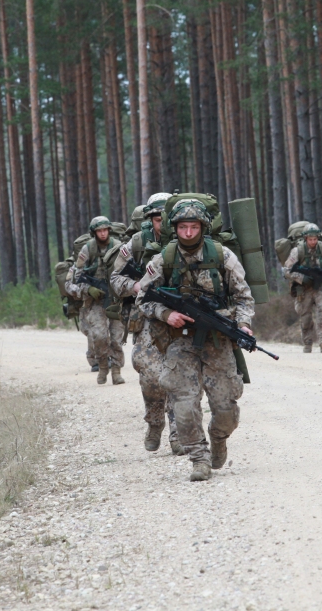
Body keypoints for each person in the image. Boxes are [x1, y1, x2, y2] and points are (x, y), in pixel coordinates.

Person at [137, 199, 255, 482]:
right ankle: (198, 458)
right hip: (180, 343)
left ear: (202, 227)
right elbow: (143, 298)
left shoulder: (223, 256)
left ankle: (218, 438)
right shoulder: (163, 259)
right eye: (182, 227)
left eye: (193, 227)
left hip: (218, 341)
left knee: (226, 407)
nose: (188, 233)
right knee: (184, 405)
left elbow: (243, 297)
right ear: (174, 228)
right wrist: (167, 314)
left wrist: (243, 324)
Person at [111, 193, 185, 455]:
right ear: (149, 219)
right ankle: (155, 423)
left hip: (180, 316)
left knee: (180, 375)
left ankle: (179, 433)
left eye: (167, 218)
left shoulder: (187, 238)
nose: (162, 223)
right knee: (151, 376)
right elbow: (115, 278)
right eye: (157, 218)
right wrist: (135, 286)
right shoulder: (136, 244)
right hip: (146, 317)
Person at [65, 216, 126, 385]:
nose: (103, 233)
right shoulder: (88, 250)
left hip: (116, 300)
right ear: (94, 232)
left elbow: (128, 272)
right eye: (99, 231)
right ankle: (103, 365)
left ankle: (116, 371)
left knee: (116, 338)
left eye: (105, 230)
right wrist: (87, 289)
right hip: (96, 302)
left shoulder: (119, 248)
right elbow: (72, 281)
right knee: (99, 336)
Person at [282, 223, 322, 353]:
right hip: (304, 288)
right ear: (305, 238)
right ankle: (307, 342)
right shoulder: (297, 251)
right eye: (310, 239)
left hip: (320, 287)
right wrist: (301, 278)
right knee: (305, 316)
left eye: (315, 239)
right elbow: (287, 270)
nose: (313, 242)